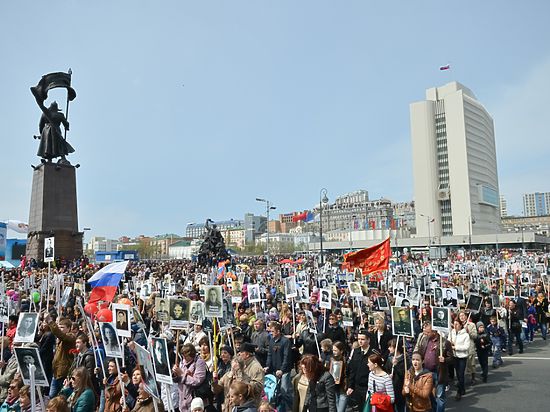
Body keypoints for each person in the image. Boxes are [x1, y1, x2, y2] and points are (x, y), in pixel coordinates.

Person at [413, 322, 452, 412]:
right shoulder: (425, 340)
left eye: (427, 332)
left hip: (439, 373)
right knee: (430, 395)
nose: (425, 334)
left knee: (440, 396)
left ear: (434, 332)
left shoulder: (445, 342)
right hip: (427, 372)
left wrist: (445, 359)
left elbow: (452, 359)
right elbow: (419, 351)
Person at [45, 315, 76, 398]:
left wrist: (51, 322)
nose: (60, 329)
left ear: (69, 328)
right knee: (52, 396)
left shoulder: (71, 337)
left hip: (64, 374)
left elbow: (60, 335)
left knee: (63, 397)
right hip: (56, 373)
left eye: (62, 327)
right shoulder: (59, 340)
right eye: (59, 327)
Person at [173, 343, 208, 412]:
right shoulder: (182, 362)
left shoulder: (199, 362)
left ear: (192, 355)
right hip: (182, 401)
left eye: (186, 357)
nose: (184, 359)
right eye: (183, 356)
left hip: (193, 401)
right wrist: (174, 374)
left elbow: (197, 381)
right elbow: (178, 379)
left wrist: (182, 374)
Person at [266, 321, 292, 412]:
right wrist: (267, 366)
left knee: (284, 391)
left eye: (272, 331)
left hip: (284, 371)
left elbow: (286, 357)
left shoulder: (285, 341)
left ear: (278, 331)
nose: (271, 333)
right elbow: (269, 354)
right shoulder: (272, 341)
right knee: (276, 392)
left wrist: (282, 370)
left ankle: (292, 407)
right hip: (274, 370)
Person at [347, 329, 375, 410]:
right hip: (357, 387)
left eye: (362, 339)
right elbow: (353, 370)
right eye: (359, 339)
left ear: (368, 340)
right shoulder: (356, 351)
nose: (360, 341)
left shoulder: (373, 353)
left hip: (368, 387)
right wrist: (351, 386)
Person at [448, 319, 470, 400]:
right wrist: (450, 343)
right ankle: (462, 388)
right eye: (454, 324)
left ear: (461, 325)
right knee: (458, 374)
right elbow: (448, 341)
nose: (455, 326)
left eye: (457, 324)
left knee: (460, 374)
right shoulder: (452, 333)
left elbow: (466, 347)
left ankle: (459, 392)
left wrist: (455, 347)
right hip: (454, 357)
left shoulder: (465, 335)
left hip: (462, 357)